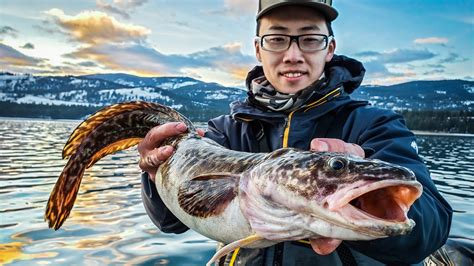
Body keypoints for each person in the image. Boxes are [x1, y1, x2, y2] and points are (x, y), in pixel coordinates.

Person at [138, 0, 453, 265]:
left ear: (329, 48)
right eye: (277, 39)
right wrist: (157, 175)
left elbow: (430, 227)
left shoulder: (375, 124)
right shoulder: (225, 131)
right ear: (258, 50)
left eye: (309, 38)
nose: (292, 55)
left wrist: (363, 194)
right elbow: (172, 221)